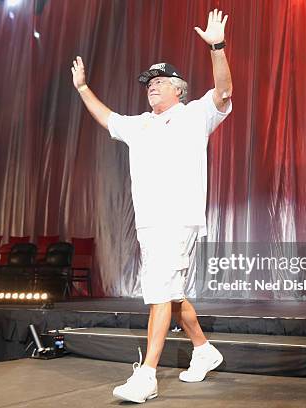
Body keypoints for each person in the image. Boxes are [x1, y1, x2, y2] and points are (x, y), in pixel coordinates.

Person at [71, 9, 232, 403]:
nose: (151, 87)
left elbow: (224, 91)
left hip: (180, 220)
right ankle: (204, 349)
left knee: (160, 292)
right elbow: (107, 118)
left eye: (160, 82)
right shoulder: (140, 125)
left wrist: (217, 47)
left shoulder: (195, 114)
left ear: (179, 88)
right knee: (171, 293)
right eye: (148, 83)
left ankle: (147, 376)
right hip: (150, 223)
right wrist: (82, 88)